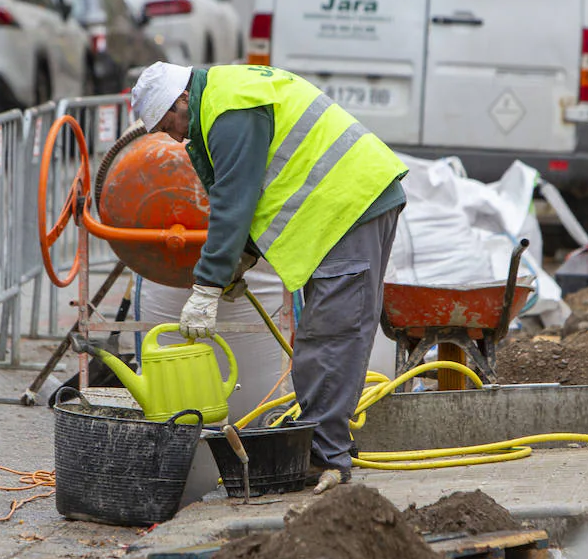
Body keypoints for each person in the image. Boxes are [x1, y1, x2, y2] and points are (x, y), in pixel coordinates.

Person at [130, 61, 408, 493]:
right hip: (340, 211)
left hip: (350, 206)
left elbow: (234, 202)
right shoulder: (223, 99)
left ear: (183, 99)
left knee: (331, 336)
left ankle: (325, 456)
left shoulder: (229, 109)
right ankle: (320, 443)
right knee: (324, 337)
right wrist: (240, 259)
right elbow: (256, 189)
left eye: (169, 122)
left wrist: (207, 286)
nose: (174, 136)